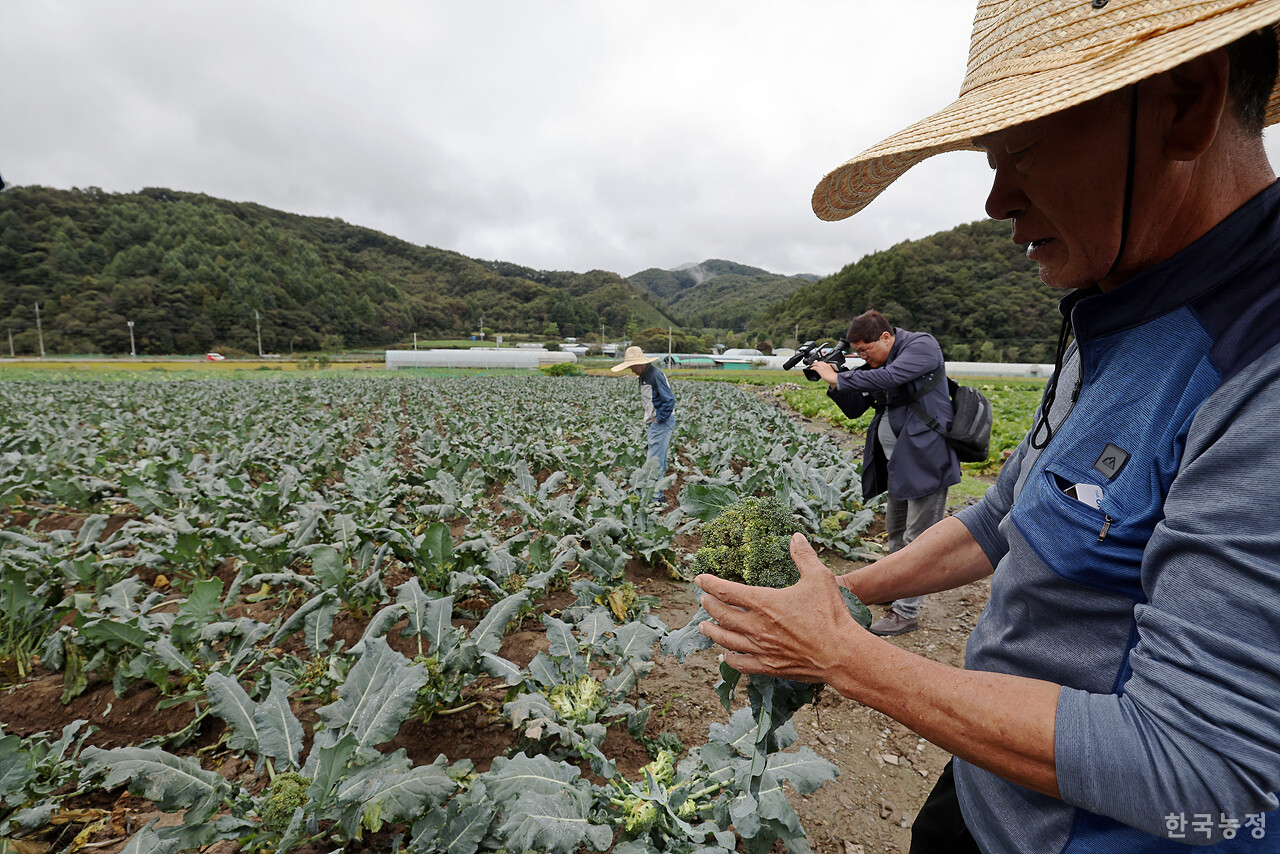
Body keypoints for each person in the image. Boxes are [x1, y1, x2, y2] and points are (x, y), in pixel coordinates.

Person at [695, 1, 1280, 851]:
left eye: (1022, 150)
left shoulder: (1255, 369)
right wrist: (849, 594)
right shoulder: (1116, 303)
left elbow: (1202, 763)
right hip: (993, 778)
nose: (996, 197)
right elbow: (1006, 515)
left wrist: (842, 655)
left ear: (1186, 103)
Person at [810, 309, 959, 636]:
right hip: (900, 465)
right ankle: (896, 592)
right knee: (895, 535)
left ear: (886, 337)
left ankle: (906, 613)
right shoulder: (878, 364)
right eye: (858, 352)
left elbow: (891, 379)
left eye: (865, 350)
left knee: (918, 541)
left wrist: (843, 376)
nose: (863, 357)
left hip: (927, 461)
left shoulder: (921, 347)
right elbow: (855, 409)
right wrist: (835, 379)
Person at [611, 345, 677, 506]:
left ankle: (655, 499)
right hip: (657, 422)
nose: (632, 370)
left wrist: (658, 419)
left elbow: (669, 400)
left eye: (632, 367)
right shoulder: (645, 375)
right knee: (656, 459)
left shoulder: (654, 375)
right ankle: (656, 496)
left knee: (654, 461)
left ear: (640, 364)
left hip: (661, 422)